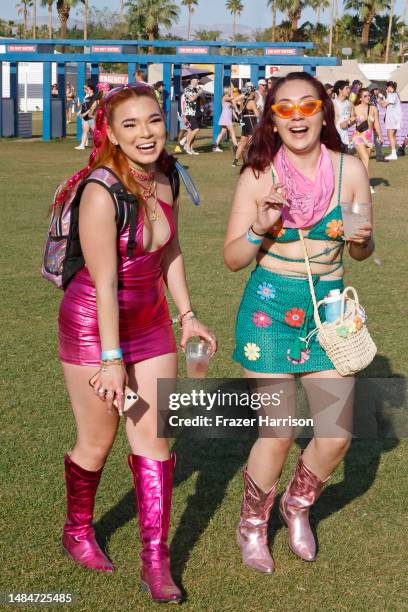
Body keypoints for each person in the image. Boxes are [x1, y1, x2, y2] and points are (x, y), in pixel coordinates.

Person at [56, 82, 216, 603]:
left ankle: (155, 558)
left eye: (153, 120)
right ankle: (77, 531)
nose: (146, 133)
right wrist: (111, 359)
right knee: (98, 441)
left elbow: (169, 250)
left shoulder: (167, 174)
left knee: (156, 443)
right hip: (92, 325)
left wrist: (187, 315)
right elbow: (103, 282)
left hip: (152, 322)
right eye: (131, 125)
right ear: (111, 134)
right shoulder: (101, 191)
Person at [224, 72, 374, 574]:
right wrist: (258, 227)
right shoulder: (258, 175)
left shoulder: (349, 169)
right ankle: (251, 524)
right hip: (267, 309)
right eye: (284, 108)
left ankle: (296, 506)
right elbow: (232, 258)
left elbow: (361, 246)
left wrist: (360, 239)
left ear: (323, 113)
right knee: (278, 430)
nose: (297, 116)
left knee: (335, 434)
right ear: (272, 119)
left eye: (307, 105)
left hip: (328, 312)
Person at [351, 88, 383, 194]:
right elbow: (350, 121)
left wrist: (380, 135)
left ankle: (355, 182)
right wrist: (352, 119)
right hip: (358, 136)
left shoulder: (373, 108)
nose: (368, 97)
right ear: (360, 98)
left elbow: (376, 123)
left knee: (362, 162)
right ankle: (367, 185)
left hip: (369, 138)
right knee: (365, 159)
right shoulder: (354, 108)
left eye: (369, 95)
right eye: (365, 96)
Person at [232, 82, 260, 167]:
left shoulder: (243, 100)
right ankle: (248, 159)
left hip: (244, 121)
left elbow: (233, 100)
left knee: (243, 141)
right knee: (251, 142)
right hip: (251, 121)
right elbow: (257, 114)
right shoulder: (251, 102)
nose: (255, 93)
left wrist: (237, 111)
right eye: (253, 91)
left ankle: (235, 161)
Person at [379, 81, 402, 160]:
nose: (386, 88)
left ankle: (393, 154)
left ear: (390, 87)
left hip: (392, 118)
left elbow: (383, 105)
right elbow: (387, 106)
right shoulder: (393, 95)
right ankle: (395, 152)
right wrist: (384, 98)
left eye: (387, 86)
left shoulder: (392, 95)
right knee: (393, 135)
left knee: (390, 135)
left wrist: (379, 99)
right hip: (394, 118)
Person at [212, 86, 239, 153]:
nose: (231, 91)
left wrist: (236, 117)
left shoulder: (229, 100)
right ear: (228, 91)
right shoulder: (224, 97)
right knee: (232, 132)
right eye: (230, 90)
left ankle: (215, 147)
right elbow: (232, 98)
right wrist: (232, 92)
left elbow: (232, 110)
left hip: (226, 118)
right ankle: (236, 147)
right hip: (226, 117)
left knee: (222, 132)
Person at [183, 76, 204, 155]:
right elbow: (191, 99)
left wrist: (202, 95)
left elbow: (202, 101)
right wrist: (198, 93)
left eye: (198, 80)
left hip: (198, 112)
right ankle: (187, 146)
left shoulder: (197, 89)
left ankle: (191, 148)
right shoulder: (187, 89)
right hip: (190, 113)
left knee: (193, 131)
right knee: (196, 129)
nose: (197, 82)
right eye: (196, 80)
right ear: (192, 81)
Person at [75, 81, 98, 151]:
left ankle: (100, 145)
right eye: (85, 89)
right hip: (85, 118)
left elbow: (92, 107)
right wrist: (79, 112)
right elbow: (84, 106)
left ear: (91, 89)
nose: (85, 90)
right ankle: (82, 145)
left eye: (87, 89)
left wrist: (86, 113)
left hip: (91, 117)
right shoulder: (86, 97)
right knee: (85, 131)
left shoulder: (94, 97)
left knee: (95, 132)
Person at [332, 80, 353, 153]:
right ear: (340, 90)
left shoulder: (350, 104)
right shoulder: (332, 103)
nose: (349, 90)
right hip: (334, 138)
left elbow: (352, 119)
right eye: (346, 88)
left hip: (345, 139)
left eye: (349, 88)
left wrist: (350, 121)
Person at [368, 87, 387, 162]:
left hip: (374, 119)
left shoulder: (375, 97)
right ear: (372, 90)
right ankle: (377, 156)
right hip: (370, 119)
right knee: (369, 136)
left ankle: (379, 155)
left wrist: (382, 97)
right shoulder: (369, 96)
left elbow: (383, 105)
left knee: (377, 136)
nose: (377, 91)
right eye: (376, 89)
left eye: (378, 89)